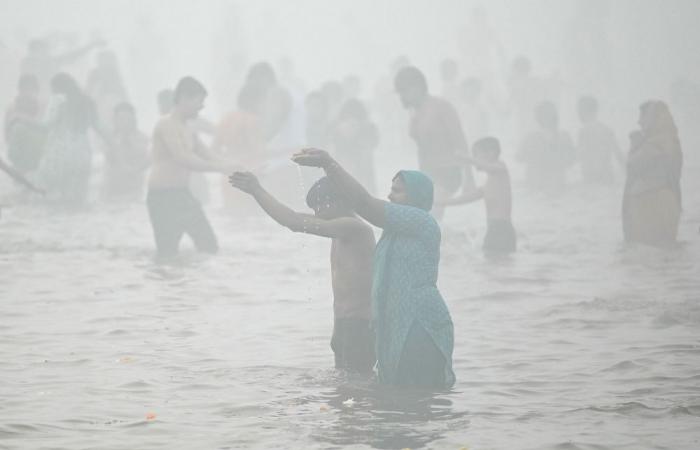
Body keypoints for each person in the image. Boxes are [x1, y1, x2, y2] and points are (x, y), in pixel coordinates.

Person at [293, 148, 456, 389]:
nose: (390, 197)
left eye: (397, 191)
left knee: (417, 402)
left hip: (420, 326)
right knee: (397, 404)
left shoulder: (421, 220)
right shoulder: (394, 233)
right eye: (390, 190)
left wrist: (329, 164)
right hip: (397, 326)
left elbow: (363, 203)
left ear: (417, 196)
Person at [229, 172, 376, 373]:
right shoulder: (338, 229)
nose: (317, 213)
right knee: (345, 389)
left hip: (359, 326)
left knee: (358, 389)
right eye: (314, 208)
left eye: (320, 206)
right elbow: (293, 218)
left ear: (341, 201)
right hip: (343, 324)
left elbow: (295, 222)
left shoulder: (355, 228)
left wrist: (257, 190)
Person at [146, 76, 237, 259]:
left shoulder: (189, 128)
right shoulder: (166, 124)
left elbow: (210, 156)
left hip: (182, 195)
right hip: (162, 198)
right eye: (199, 102)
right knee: (167, 253)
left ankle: (197, 284)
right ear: (184, 98)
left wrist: (238, 168)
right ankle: (168, 284)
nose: (202, 107)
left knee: (209, 246)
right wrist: (219, 169)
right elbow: (184, 158)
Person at [394, 66, 474, 220]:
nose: (402, 97)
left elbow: (460, 140)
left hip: (449, 171)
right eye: (400, 93)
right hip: (430, 174)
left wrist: (469, 178)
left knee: (430, 217)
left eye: (404, 91)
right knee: (423, 217)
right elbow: (422, 150)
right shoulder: (415, 113)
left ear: (417, 87)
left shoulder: (441, 107)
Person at [36, 72, 107, 205]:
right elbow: (100, 128)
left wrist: (23, 120)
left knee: (58, 199)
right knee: (79, 199)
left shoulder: (58, 99)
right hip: (83, 152)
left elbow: (46, 125)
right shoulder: (87, 101)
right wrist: (113, 145)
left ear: (56, 88)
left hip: (61, 153)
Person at [440, 137, 516, 255]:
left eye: (476, 154)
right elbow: (466, 198)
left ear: (491, 153)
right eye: (473, 155)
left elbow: (490, 167)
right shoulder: (489, 183)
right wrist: (440, 202)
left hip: (502, 229)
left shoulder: (501, 169)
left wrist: (468, 159)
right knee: (494, 268)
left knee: (497, 266)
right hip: (494, 229)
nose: (475, 157)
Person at [622, 101, 682, 247]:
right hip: (655, 201)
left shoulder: (660, 142)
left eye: (643, 117)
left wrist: (635, 145)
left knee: (652, 251)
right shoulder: (667, 140)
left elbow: (634, 165)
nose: (639, 121)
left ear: (655, 118)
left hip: (653, 203)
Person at [213, 83, 267, 213]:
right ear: (255, 100)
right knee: (251, 219)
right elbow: (259, 151)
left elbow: (214, 149)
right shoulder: (253, 120)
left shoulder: (226, 118)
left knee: (233, 218)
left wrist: (224, 165)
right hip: (249, 176)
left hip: (228, 175)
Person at [517, 101, 575, 193]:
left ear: (538, 119)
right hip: (557, 185)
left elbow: (519, 157)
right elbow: (570, 161)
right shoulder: (564, 137)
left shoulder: (531, 138)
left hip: (537, 185)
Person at [330, 99, 379, 194]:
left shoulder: (368, 129)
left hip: (356, 168)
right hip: (352, 167)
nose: (352, 123)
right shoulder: (369, 129)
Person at [102, 102, 149, 201]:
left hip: (134, 192)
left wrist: (127, 140)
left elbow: (146, 160)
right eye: (121, 118)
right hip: (111, 192)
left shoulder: (142, 138)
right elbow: (109, 158)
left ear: (133, 120)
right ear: (114, 120)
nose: (125, 122)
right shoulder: (109, 139)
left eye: (128, 118)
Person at [576, 96, 623, 185]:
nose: (578, 114)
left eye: (579, 110)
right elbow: (619, 155)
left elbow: (579, 156)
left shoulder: (583, 132)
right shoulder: (607, 130)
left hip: (592, 181)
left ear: (585, 112)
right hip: (608, 179)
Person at [4, 74, 46, 173]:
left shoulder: (42, 107)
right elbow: (7, 136)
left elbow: (45, 129)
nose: (28, 92)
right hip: (18, 154)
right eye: (25, 89)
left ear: (36, 90)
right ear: (20, 90)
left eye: (31, 89)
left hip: (37, 154)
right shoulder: (11, 109)